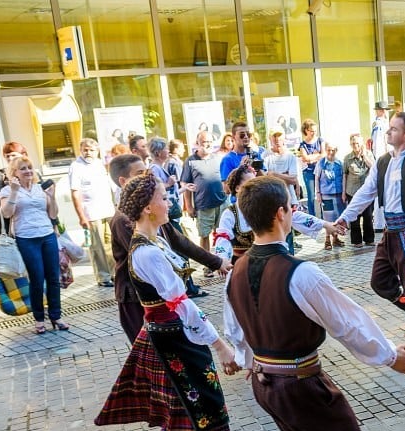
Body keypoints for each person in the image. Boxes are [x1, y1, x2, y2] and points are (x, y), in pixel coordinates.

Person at [223, 174, 405, 431]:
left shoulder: (236, 270)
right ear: (281, 214)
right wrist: (392, 357)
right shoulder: (301, 273)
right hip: (300, 382)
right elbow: (348, 322)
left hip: (264, 381)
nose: (294, 211)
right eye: (293, 206)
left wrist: (250, 361)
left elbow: (236, 329)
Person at [95, 172, 239, 431]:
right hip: (173, 337)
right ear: (147, 208)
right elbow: (181, 303)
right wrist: (220, 345)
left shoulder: (156, 239)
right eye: (163, 197)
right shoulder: (146, 252)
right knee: (199, 406)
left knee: (201, 405)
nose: (169, 201)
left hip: (178, 335)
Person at [108, 154, 228, 343]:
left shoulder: (155, 213)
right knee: (151, 353)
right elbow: (148, 262)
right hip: (136, 298)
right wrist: (217, 343)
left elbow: (179, 240)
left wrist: (216, 261)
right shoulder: (126, 221)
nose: (147, 176)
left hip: (159, 295)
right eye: (140, 173)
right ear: (123, 181)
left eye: (147, 171)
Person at [335, 112, 405, 316]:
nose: (388, 131)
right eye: (390, 127)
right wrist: (345, 217)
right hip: (390, 232)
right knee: (380, 281)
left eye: (394, 128)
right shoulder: (382, 162)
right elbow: (366, 192)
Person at [0, 157, 66, 335]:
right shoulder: (7, 190)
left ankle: (56, 316)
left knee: (53, 277)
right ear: (14, 173)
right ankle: (39, 319)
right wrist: (14, 192)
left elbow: (52, 214)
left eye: (30, 167)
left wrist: (52, 197)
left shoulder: (39, 188)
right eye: (23, 169)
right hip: (26, 238)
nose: (28, 171)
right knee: (37, 278)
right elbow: (6, 213)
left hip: (47, 235)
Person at [214, 166, 335, 264]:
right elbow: (222, 238)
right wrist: (222, 259)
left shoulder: (265, 204)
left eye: (257, 181)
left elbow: (292, 215)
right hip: (243, 265)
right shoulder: (230, 214)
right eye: (251, 183)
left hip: (269, 261)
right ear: (237, 188)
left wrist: (324, 224)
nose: (256, 186)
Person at [68, 138, 116, 287]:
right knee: (97, 246)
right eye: (85, 149)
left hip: (108, 209)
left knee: (111, 243)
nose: (88, 152)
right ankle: (103, 276)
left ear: (97, 151)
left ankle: (114, 273)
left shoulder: (101, 164)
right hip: (91, 212)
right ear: (81, 150)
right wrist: (81, 216)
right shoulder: (76, 166)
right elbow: (75, 193)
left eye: (91, 150)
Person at [180, 131, 227, 269]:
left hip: (221, 202)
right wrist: (189, 206)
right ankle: (209, 266)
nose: (208, 144)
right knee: (204, 235)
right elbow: (185, 185)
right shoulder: (190, 161)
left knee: (222, 234)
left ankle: (222, 262)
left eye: (210, 142)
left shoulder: (217, 158)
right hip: (203, 205)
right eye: (205, 142)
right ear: (198, 143)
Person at [0, 142, 28, 238]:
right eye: (7, 156)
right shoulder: (0, 176)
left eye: (13, 155)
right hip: (14, 229)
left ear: (24, 155)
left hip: (40, 226)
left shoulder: (32, 173)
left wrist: (54, 224)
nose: (10, 158)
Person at [342, 134, 376, 247]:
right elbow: (344, 176)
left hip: (366, 191)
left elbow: (374, 167)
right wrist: (343, 193)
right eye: (353, 143)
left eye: (357, 143)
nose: (355, 145)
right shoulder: (347, 158)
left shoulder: (369, 154)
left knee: (368, 216)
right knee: (354, 216)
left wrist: (364, 156)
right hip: (352, 190)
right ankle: (357, 241)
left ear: (361, 144)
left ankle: (369, 239)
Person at [315, 145, 344, 249]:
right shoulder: (321, 163)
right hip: (326, 195)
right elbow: (317, 178)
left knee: (337, 218)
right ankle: (327, 239)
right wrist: (318, 193)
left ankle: (335, 239)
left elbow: (344, 178)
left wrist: (344, 193)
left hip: (338, 194)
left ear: (336, 151)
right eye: (328, 150)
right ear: (325, 150)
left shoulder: (340, 163)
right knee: (328, 218)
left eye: (333, 150)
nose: (331, 152)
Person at [298, 119, 325, 218]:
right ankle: (312, 217)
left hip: (320, 171)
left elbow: (323, 154)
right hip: (308, 172)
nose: (313, 133)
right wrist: (316, 156)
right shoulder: (303, 144)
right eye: (311, 131)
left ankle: (324, 216)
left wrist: (311, 159)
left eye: (315, 130)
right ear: (306, 130)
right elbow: (305, 158)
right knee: (311, 195)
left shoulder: (320, 140)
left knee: (322, 193)